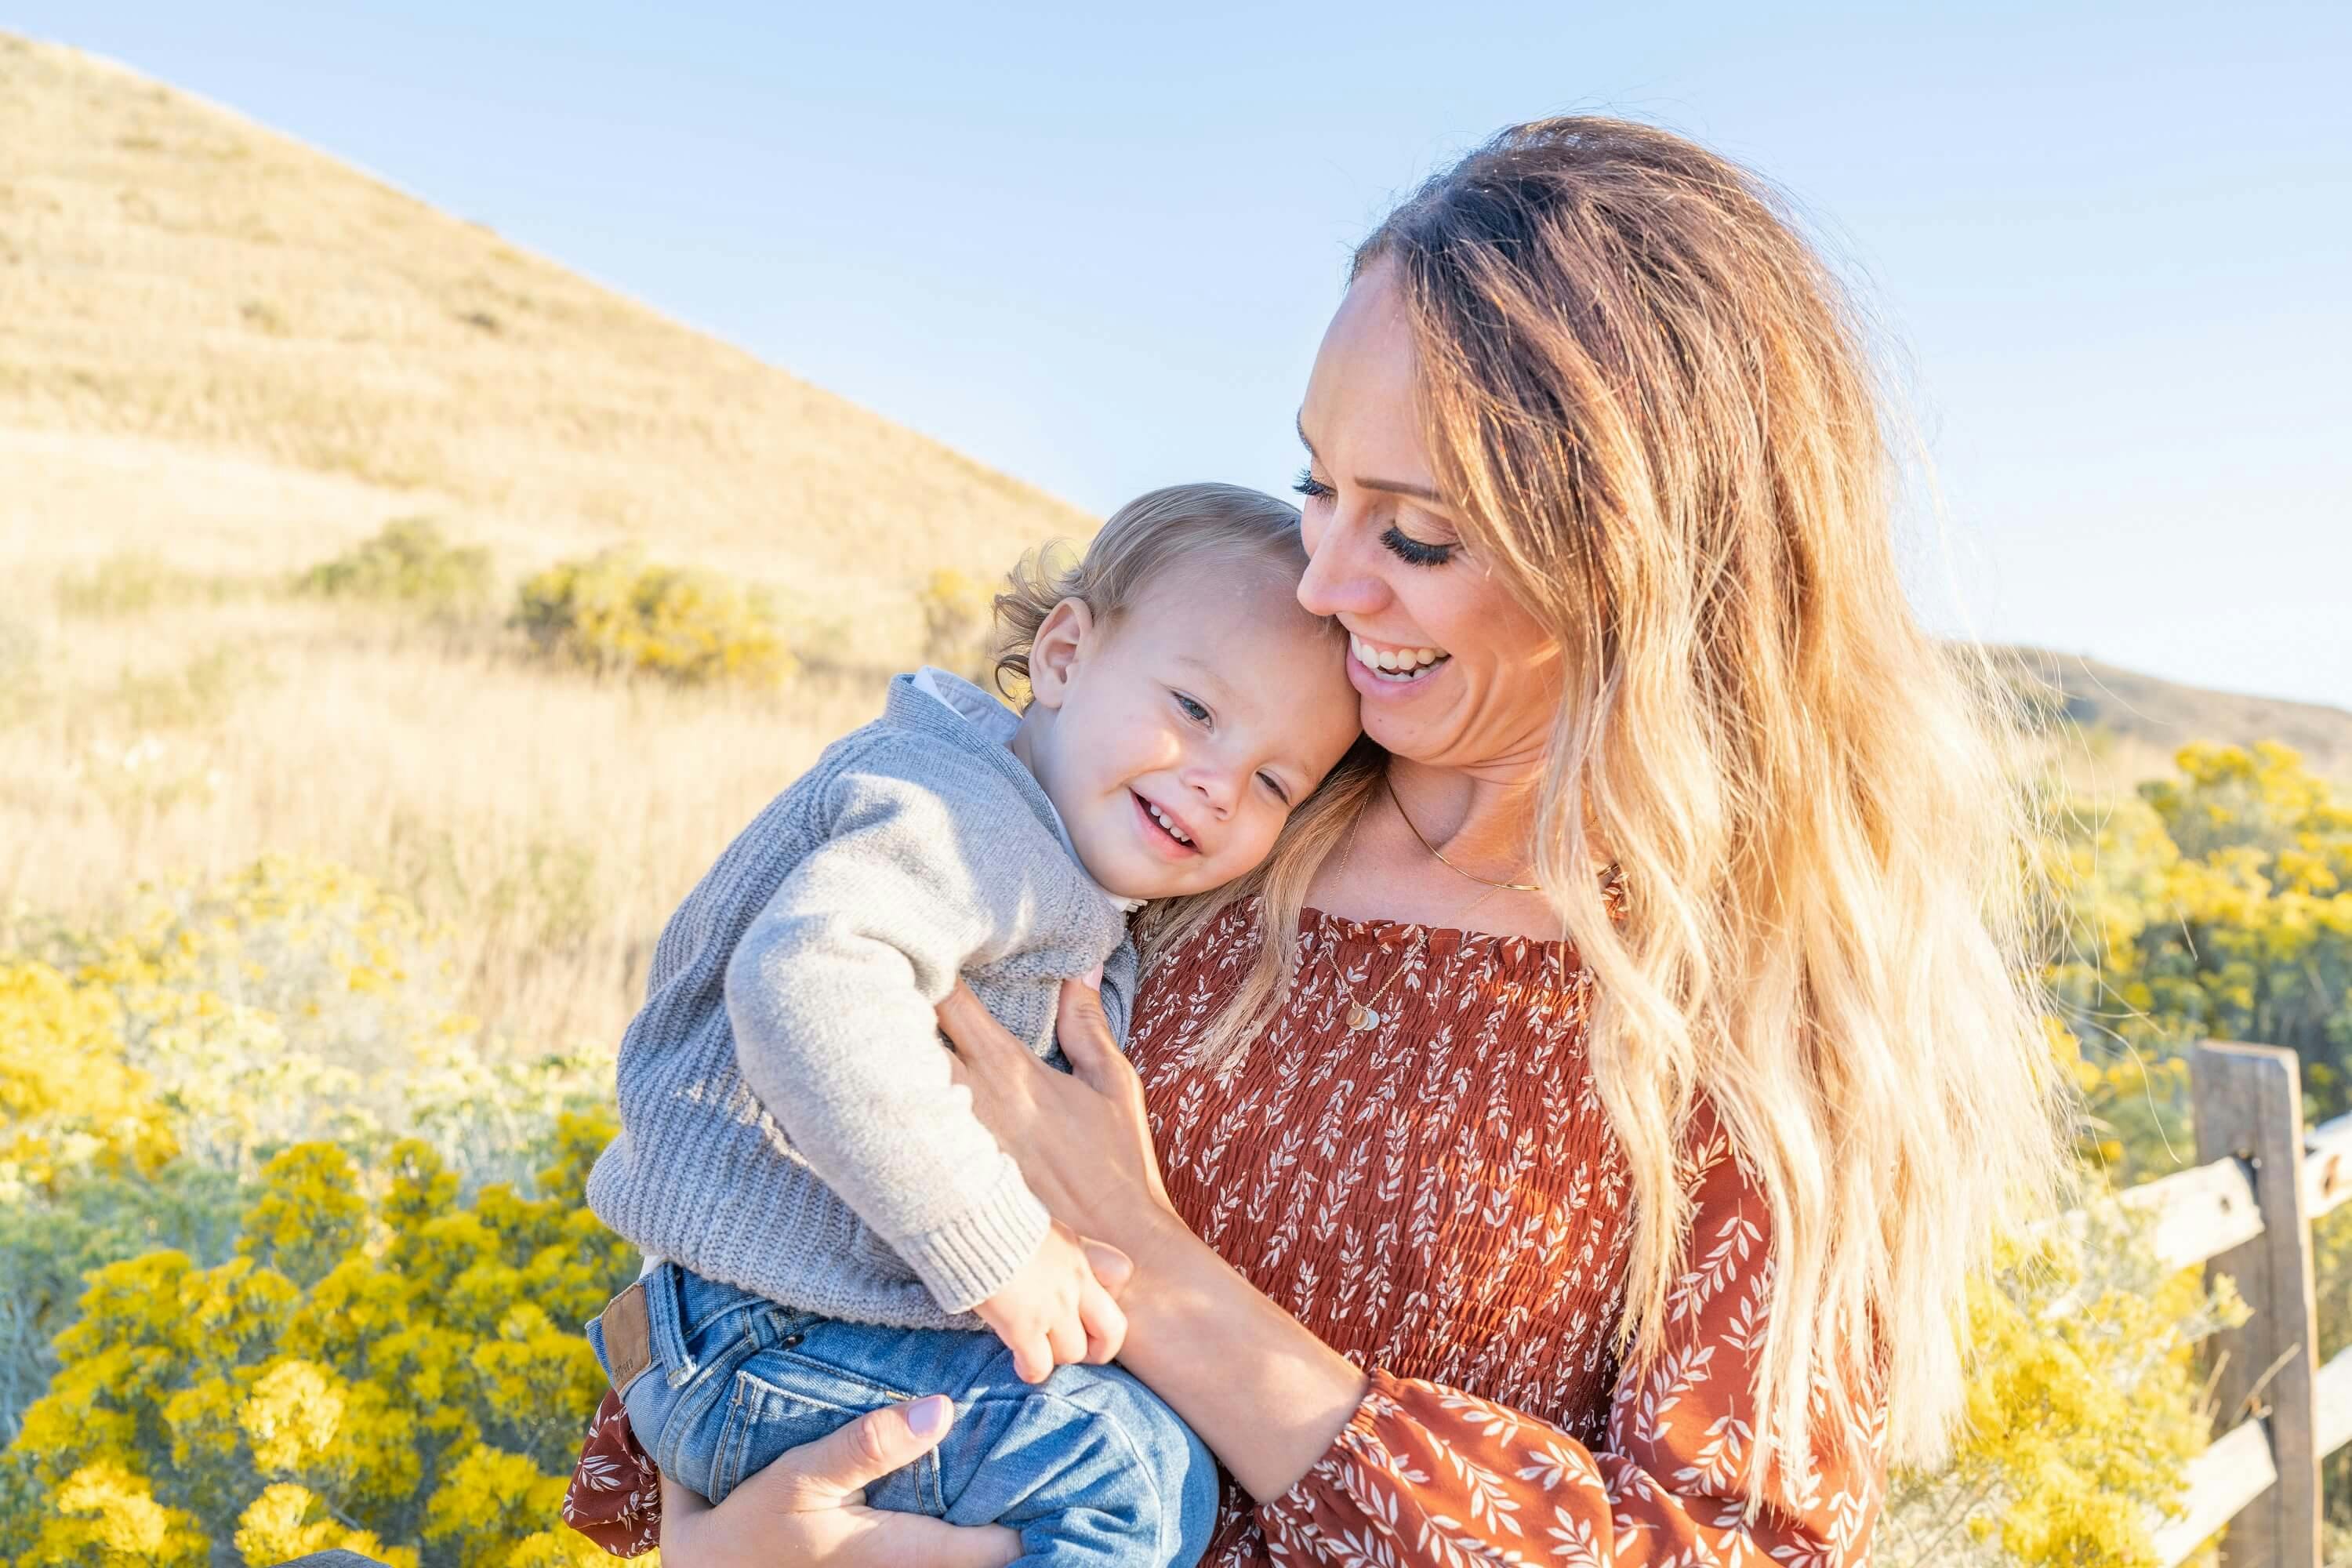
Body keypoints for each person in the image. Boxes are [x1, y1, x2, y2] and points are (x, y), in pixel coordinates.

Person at [565, 115, 2071, 1567]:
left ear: (1641, 562)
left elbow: (1730, 1551)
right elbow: (768, 1166)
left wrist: (1155, 1278)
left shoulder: (1763, 997)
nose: (1327, 581)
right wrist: (721, 1530)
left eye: (1417, 534)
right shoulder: (1205, 814)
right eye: (1317, 488)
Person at [576, 481, 1366, 1567]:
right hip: (763, 1328)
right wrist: (997, 1247)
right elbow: (808, 981)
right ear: (1065, 655)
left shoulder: (1038, 837)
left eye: (1276, 778)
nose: (1221, 785)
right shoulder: (970, 819)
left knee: (1146, 1467)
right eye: (1194, 711)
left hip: (782, 1330)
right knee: (1122, 1480)